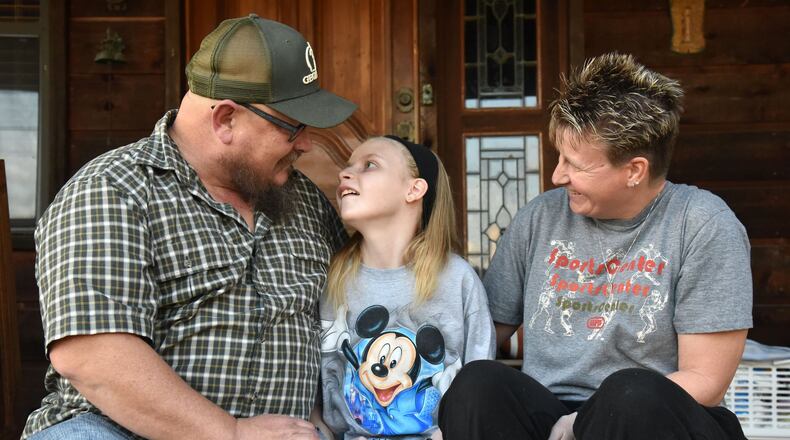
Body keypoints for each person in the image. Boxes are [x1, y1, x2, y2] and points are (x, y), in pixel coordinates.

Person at [23, 14, 357, 440]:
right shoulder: (113, 190)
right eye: (293, 127)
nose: (307, 143)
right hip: (117, 431)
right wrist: (231, 432)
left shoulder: (303, 198)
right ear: (225, 120)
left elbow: (365, 294)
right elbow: (93, 356)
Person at [438, 52, 752, 440]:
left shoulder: (702, 224)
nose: (557, 176)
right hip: (551, 413)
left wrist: (582, 422)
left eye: (576, 165)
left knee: (630, 392)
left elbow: (706, 379)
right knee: (477, 384)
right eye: (559, 157)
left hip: (652, 418)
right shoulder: (541, 217)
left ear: (634, 170)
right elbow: (482, 335)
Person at [316, 136, 496, 439]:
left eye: (369, 165)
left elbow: (482, 386)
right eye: (347, 167)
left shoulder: (457, 280)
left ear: (414, 189)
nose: (344, 174)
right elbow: (321, 393)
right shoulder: (331, 280)